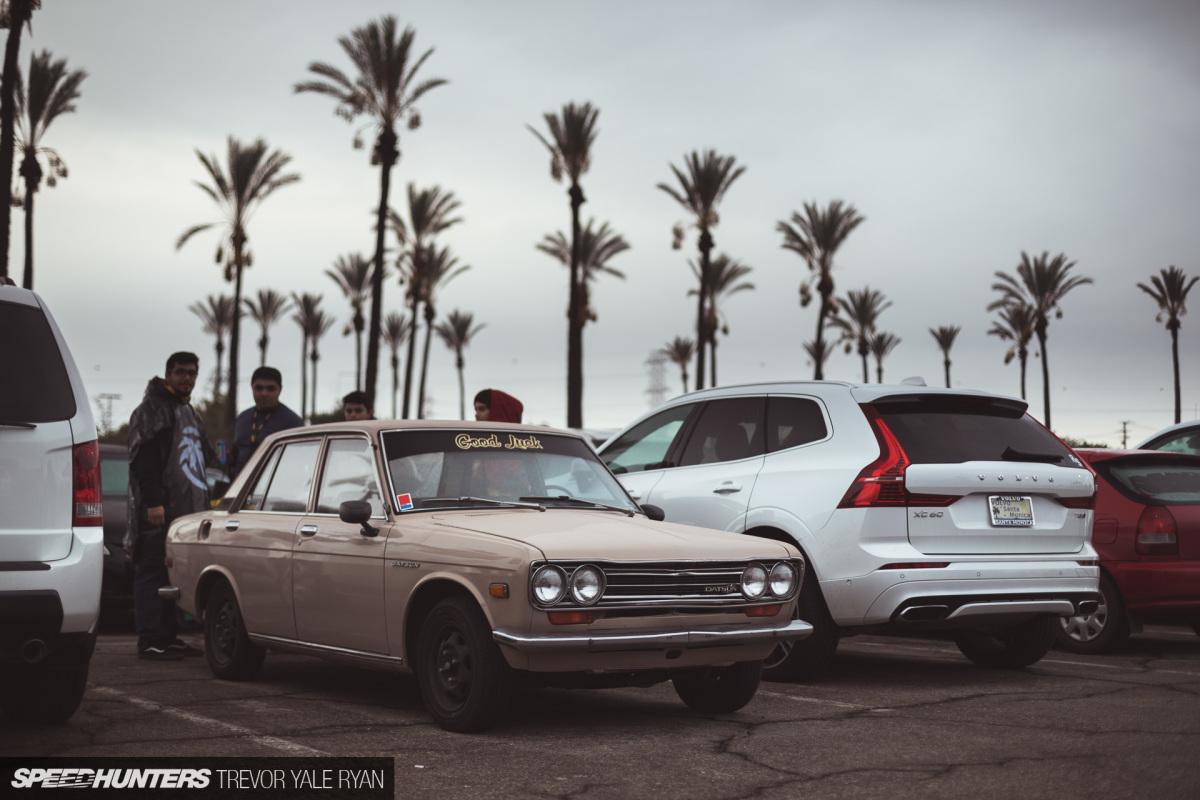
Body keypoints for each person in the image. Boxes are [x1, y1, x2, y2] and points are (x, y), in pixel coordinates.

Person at [125, 352, 215, 660]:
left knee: (171, 574)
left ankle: (168, 636)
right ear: (168, 374)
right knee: (151, 570)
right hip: (159, 508)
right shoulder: (152, 409)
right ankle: (150, 639)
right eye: (180, 372)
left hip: (185, 511)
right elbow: (144, 459)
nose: (186, 378)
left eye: (191, 373)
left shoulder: (187, 410)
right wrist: (153, 502)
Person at [231, 366, 303, 477]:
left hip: (275, 489)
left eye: (270, 389)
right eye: (259, 388)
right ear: (252, 388)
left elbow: (299, 463)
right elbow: (236, 456)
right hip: (240, 488)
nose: (264, 393)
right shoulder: (243, 417)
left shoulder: (293, 422)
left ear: (280, 389)